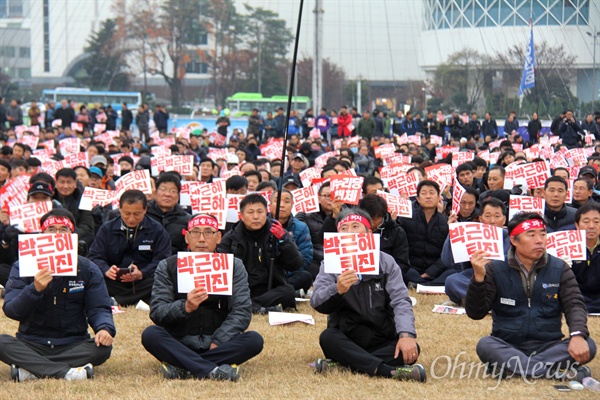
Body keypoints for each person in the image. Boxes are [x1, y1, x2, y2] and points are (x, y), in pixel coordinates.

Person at [466, 212, 596, 380]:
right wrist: (478, 279)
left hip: (550, 345)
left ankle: (514, 368)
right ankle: (554, 373)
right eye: (531, 234)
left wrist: (577, 335)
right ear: (514, 240)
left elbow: (575, 305)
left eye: (543, 234)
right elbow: (475, 313)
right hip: (508, 344)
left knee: (589, 344)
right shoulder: (495, 268)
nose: (539, 240)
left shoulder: (559, 268)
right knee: (485, 344)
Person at [141, 214, 264, 381]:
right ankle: (213, 369)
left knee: (254, 340)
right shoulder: (168, 266)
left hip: (219, 344)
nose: (201, 239)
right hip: (179, 342)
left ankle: (183, 366)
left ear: (218, 237)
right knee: (150, 335)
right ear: (186, 236)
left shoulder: (233, 266)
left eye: (208, 232)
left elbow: (241, 311)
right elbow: (157, 312)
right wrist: (185, 307)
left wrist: (219, 341)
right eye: (195, 232)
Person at [310, 208, 426, 382]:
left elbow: (400, 301)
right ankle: (387, 371)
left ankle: (345, 364)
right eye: (344, 228)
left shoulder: (386, 262)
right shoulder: (330, 263)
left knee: (411, 348)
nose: (350, 232)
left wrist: (406, 335)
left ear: (369, 233)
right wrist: (337, 289)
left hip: (382, 336)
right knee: (328, 338)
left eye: (356, 226)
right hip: (347, 337)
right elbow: (316, 301)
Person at [0, 209, 115, 381]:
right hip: (32, 342)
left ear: (72, 234)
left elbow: (98, 308)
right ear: (42, 234)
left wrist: (104, 328)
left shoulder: (87, 268)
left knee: (103, 348)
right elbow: (12, 310)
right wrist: (34, 289)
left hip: (72, 343)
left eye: (64, 229)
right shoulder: (23, 265)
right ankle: (67, 372)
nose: (57, 234)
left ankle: (31, 370)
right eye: (52, 229)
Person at [217, 194, 304, 313]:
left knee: (288, 291)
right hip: (242, 288)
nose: (256, 217)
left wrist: (284, 241)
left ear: (267, 212)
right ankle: (257, 306)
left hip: (269, 288)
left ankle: (252, 306)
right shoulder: (232, 237)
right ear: (241, 215)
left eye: (260, 212)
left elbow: (296, 264)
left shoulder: (276, 232)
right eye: (250, 212)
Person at [87, 189, 172, 306]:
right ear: (120, 209)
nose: (131, 218)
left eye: (137, 214)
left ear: (145, 210)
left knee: (161, 280)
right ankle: (135, 299)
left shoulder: (157, 230)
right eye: (127, 213)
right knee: (93, 276)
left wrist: (142, 273)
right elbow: (94, 256)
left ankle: (117, 300)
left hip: (143, 281)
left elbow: (163, 259)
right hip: (114, 280)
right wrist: (106, 270)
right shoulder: (107, 229)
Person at [444, 197, 509, 306]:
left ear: (504, 220)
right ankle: (488, 300)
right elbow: (447, 261)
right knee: (452, 280)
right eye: (488, 216)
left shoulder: (513, 238)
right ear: (481, 219)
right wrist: (452, 233)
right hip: (475, 277)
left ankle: (474, 300)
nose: (492, 221)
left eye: (497, 216)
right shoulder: (470, 235)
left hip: (501, 280)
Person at [399, 180, 450, 286]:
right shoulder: (406, 218)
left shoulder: (445, 222)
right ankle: (427, 284)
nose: (428, 196)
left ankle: (420, 283)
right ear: (417, 199)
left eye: (432, 193)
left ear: (439, 197)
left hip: (435, 270)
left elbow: (446, 255)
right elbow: (401, 250)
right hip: (411, 268)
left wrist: (430, 272)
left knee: (452, 274)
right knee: (399, 269)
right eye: (424, 193)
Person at [269, 190, 313, 294]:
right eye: (277, 201)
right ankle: (284, 292)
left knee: (305, 276)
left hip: (289, 275)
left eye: (287, 201)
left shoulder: (301, 227)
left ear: (292, 205)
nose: (282, 205)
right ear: (270, 205)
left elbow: (305, 259)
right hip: (266, 274)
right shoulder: (261, 225)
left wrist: (283, 274)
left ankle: (281, 291)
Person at [572, 203, 600, 313]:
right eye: (586, 221)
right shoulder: (567, 247)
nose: (591, 226)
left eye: (596, 222)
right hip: (575, 297)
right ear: (577, 225)